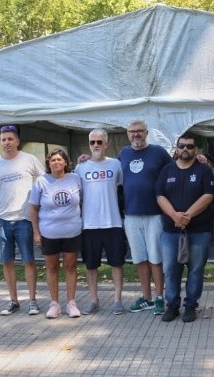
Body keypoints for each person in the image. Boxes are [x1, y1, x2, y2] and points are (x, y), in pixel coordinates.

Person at [0, 125, 45, 316]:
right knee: (7, 262)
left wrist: (39, 209)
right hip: (2, 220)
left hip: (24, 219)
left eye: (10, 139)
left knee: (29, 261)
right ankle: (13, 301)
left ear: (17, 141)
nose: (7, 143)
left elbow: (44, 181)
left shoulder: (29, 159)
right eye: (3, 139)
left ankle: (33, 301)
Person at [156, 133, 214, 323]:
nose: (185, 149)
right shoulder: (166, 170)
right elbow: (159, 196)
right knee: (171, 269)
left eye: (190, 146)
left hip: (199, 230)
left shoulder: (204, 170)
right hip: (171, 230)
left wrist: (187, 215)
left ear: (196, 150)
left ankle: (191, 306)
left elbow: (208, 195)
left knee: (196, 269)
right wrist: (175, 215)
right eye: (182, 146)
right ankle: (172, 305)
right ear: (176, 148)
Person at [118, 119, 172, 315]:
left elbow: (175, 170)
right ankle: (146, 297)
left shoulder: (158, 152)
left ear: (147, 133)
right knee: (140, 258)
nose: (136, 135)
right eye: (132, 131)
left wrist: (197, 159)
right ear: (127, 134)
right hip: (131, 215)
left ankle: (159, 297)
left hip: (154, 214)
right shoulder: (123, 153)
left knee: (155, 258)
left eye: (139, 131)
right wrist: (85, 159)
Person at [76, 128, 126, 315]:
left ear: (106, 144)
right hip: (89, 225)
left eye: (99, 142)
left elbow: (121, 188)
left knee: (117, 263)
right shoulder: (80, 167)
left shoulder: (116, 165)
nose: (95, 145)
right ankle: (93, 300)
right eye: (92, 142)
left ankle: (117, 300)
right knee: (91, 266)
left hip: (113, 223)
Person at [29, 149, 83, 319]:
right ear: (48, 163)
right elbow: (33, 208)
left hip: (72, 231)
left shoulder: (75, 178)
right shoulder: (41, 181)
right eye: (53, 160)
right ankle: (54, 304)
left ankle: (71, 303)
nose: (56, 162)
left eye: (60, 159)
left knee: (70, 267)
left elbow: (83, 200)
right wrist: (36, 232)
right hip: (49, 233)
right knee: (52, 267)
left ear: (66, 162)